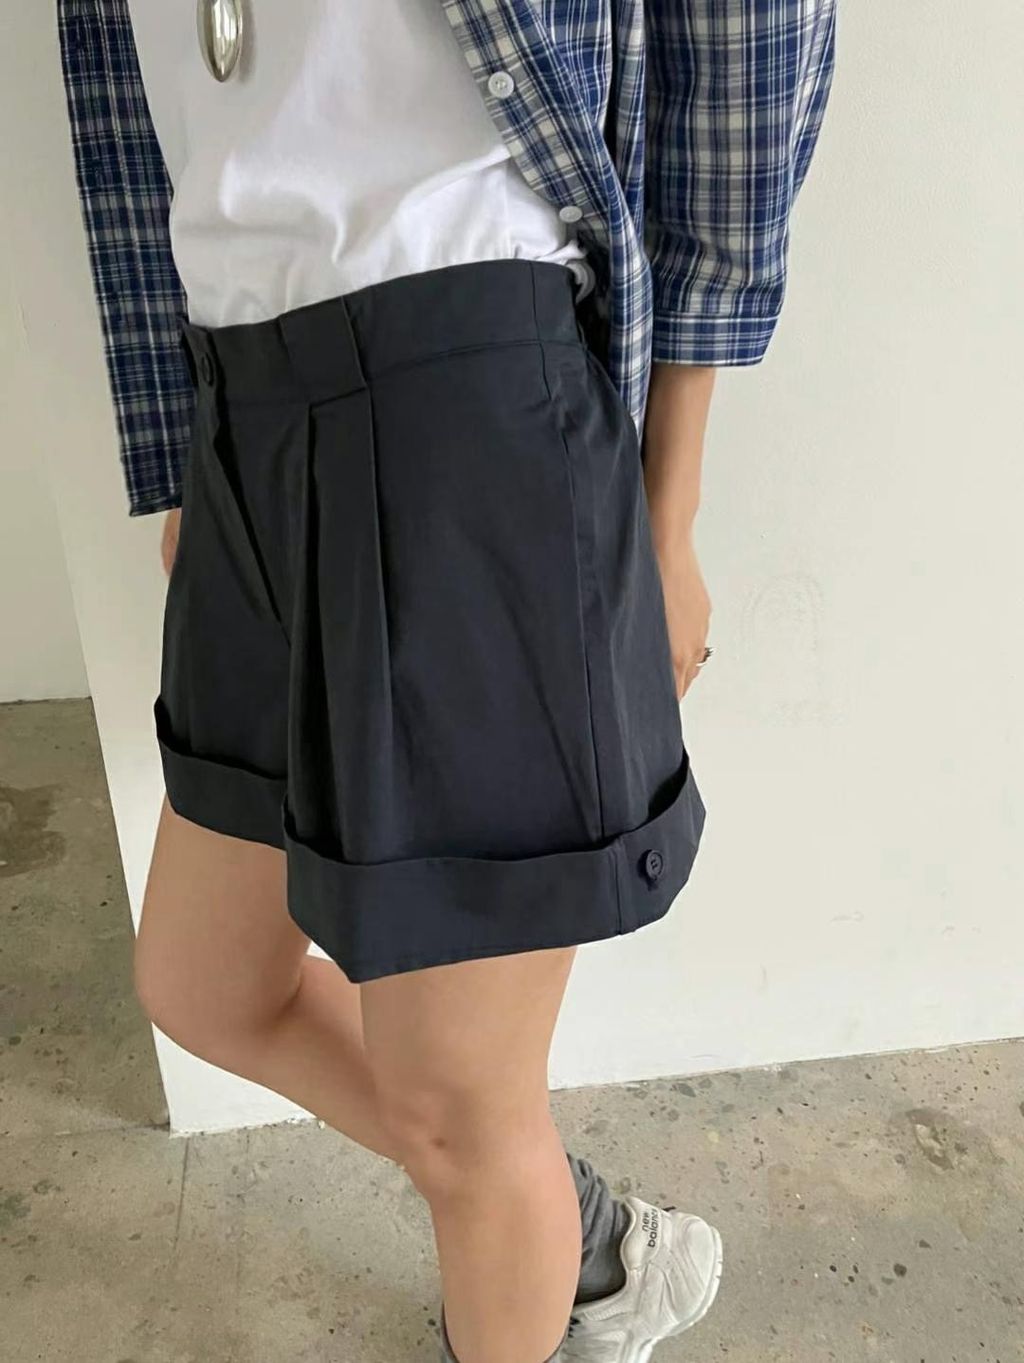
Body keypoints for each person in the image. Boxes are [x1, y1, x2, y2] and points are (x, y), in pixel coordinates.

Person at [57, 2, 835, 1360]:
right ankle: (583, 1242)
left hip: (469, 378)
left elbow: (745, 39)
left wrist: (670, 504)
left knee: (458, 1107)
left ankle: (536, 1240)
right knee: (203, 983)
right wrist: (193, 461)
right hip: (242, 405)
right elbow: (147, 127)